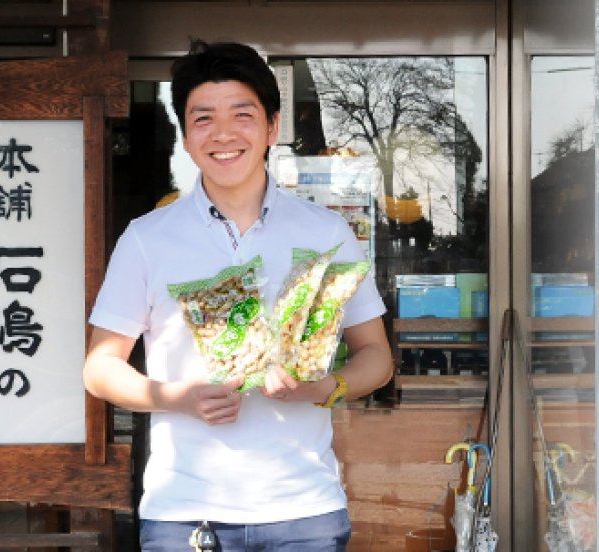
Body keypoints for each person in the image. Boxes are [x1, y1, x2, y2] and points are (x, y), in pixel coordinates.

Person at [83, 39, 393, 551]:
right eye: (203, 118)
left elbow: (376, 356)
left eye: (242, 115)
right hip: (185, 513)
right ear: (186, 136)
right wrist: (175, 397)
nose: (223, 134)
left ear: (272, 126)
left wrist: (323, 388)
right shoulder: (147, 237)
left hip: (305, 512)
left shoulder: (326, 232)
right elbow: (99, 369)